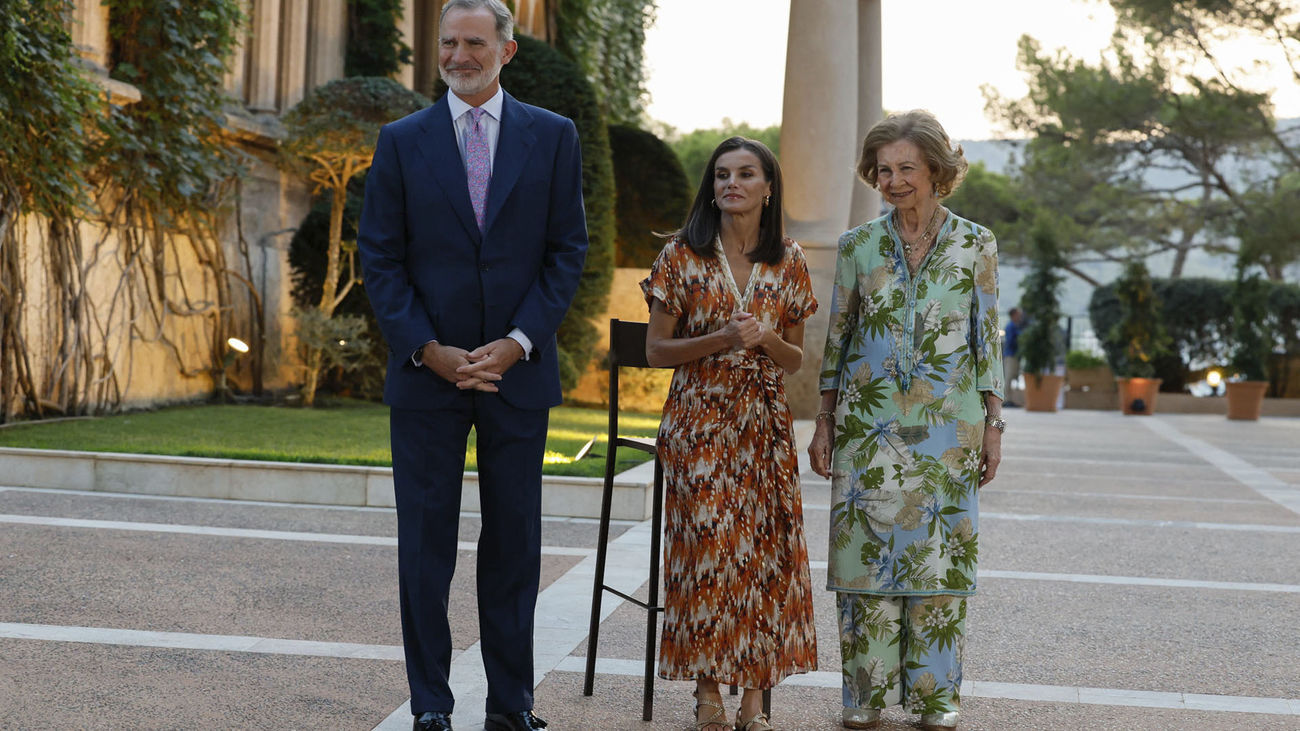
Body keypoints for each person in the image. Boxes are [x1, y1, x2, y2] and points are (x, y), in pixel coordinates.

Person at [356, 1, 588, 729]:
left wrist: (519, 340)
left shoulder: (554, 138)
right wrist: (428, 349)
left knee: (515, 546)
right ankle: (431, 705)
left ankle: (511, 706)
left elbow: (566, 252)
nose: (459, 54)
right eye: (449, 41)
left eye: (474, 42)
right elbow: (380, 259)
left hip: (518, 375)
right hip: (427, 377)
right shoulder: (400, 140)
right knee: (425, 550)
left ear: (507, 51)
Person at [807, 110, 1004, 731]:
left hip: (951, 429)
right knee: (865, 559)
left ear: (937, 172)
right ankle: (863, 694)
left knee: (939, 559)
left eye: (906, 169)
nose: (893, 181)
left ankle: (933, 698)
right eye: (884, 170)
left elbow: (988, 340)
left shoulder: (977, 244)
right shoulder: (857, 246)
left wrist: (994, 425)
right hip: (870, 428)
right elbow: (838, 339)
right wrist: (824, 421)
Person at [641, 137, 818, 731]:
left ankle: (753, 699)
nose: (731, 184)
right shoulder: (680, 257)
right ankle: (707, 688)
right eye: (721, 174)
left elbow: (794, 362)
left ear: (769, 188)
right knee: (710, 552)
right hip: (699, 424)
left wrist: (764, 339)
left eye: (745, 174)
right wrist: (721, 338)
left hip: (763, 429)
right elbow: (657, 350)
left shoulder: (788, 260)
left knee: (764, 557)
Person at [1002, 307, 1025, 407]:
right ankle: (1006, 399)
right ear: (1013, 315)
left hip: (1014, 355)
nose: (1020, 316)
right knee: (1009, 377)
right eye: (1018, 314)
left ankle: (1010, 399)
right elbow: (1011, 342)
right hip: (1011, 355)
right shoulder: (1011, 326)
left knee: (1012, 377)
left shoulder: (1015, 326)